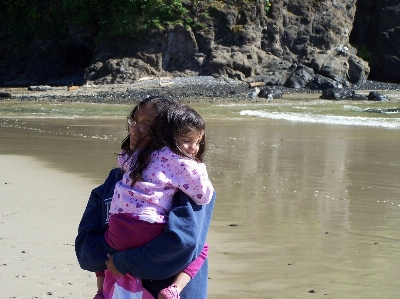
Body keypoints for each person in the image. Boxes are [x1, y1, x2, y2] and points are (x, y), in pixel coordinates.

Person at [75, 96, 216, 299]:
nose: (135, 130)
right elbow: (85, 252)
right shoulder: (114, 182)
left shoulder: (187, 186)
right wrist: (116, 255)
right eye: (134, 121)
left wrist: (122, 261)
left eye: (147, 126)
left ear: (168, 136)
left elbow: (182, 245)